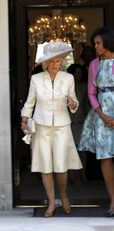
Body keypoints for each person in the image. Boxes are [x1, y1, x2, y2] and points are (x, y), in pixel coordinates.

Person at [21, 41, 82, 218]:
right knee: (45, 167)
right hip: (41, 126)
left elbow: (75, 103)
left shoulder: (68, 78)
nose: (57, 64)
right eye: (53, 61)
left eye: (59, 61)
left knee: (61, 167)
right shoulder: (36, 79)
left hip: (62, 126)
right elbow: (29, 102)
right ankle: (51, 201)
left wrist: (72, 103)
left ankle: (63, 195)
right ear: (46, 63)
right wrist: (25, 118)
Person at [78, 27, 114, 217]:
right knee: (105, 158)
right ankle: (113, 201)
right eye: (95, 43)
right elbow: (92, 93)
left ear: (108, 42)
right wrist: (102, 115)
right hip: (101, 116)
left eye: (98, 43)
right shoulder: (94, 64)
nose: (96, 46)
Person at [67, 64, 91, 183]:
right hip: (69, 123)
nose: (78, 75)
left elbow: (87, 105)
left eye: (80, 73)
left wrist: (88, 120)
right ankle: (71, 176)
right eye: (76, 73)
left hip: (81, 121)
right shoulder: (66, 87)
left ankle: (83, 174)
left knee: (83, 150)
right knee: (70, 149)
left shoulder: (85, 87)